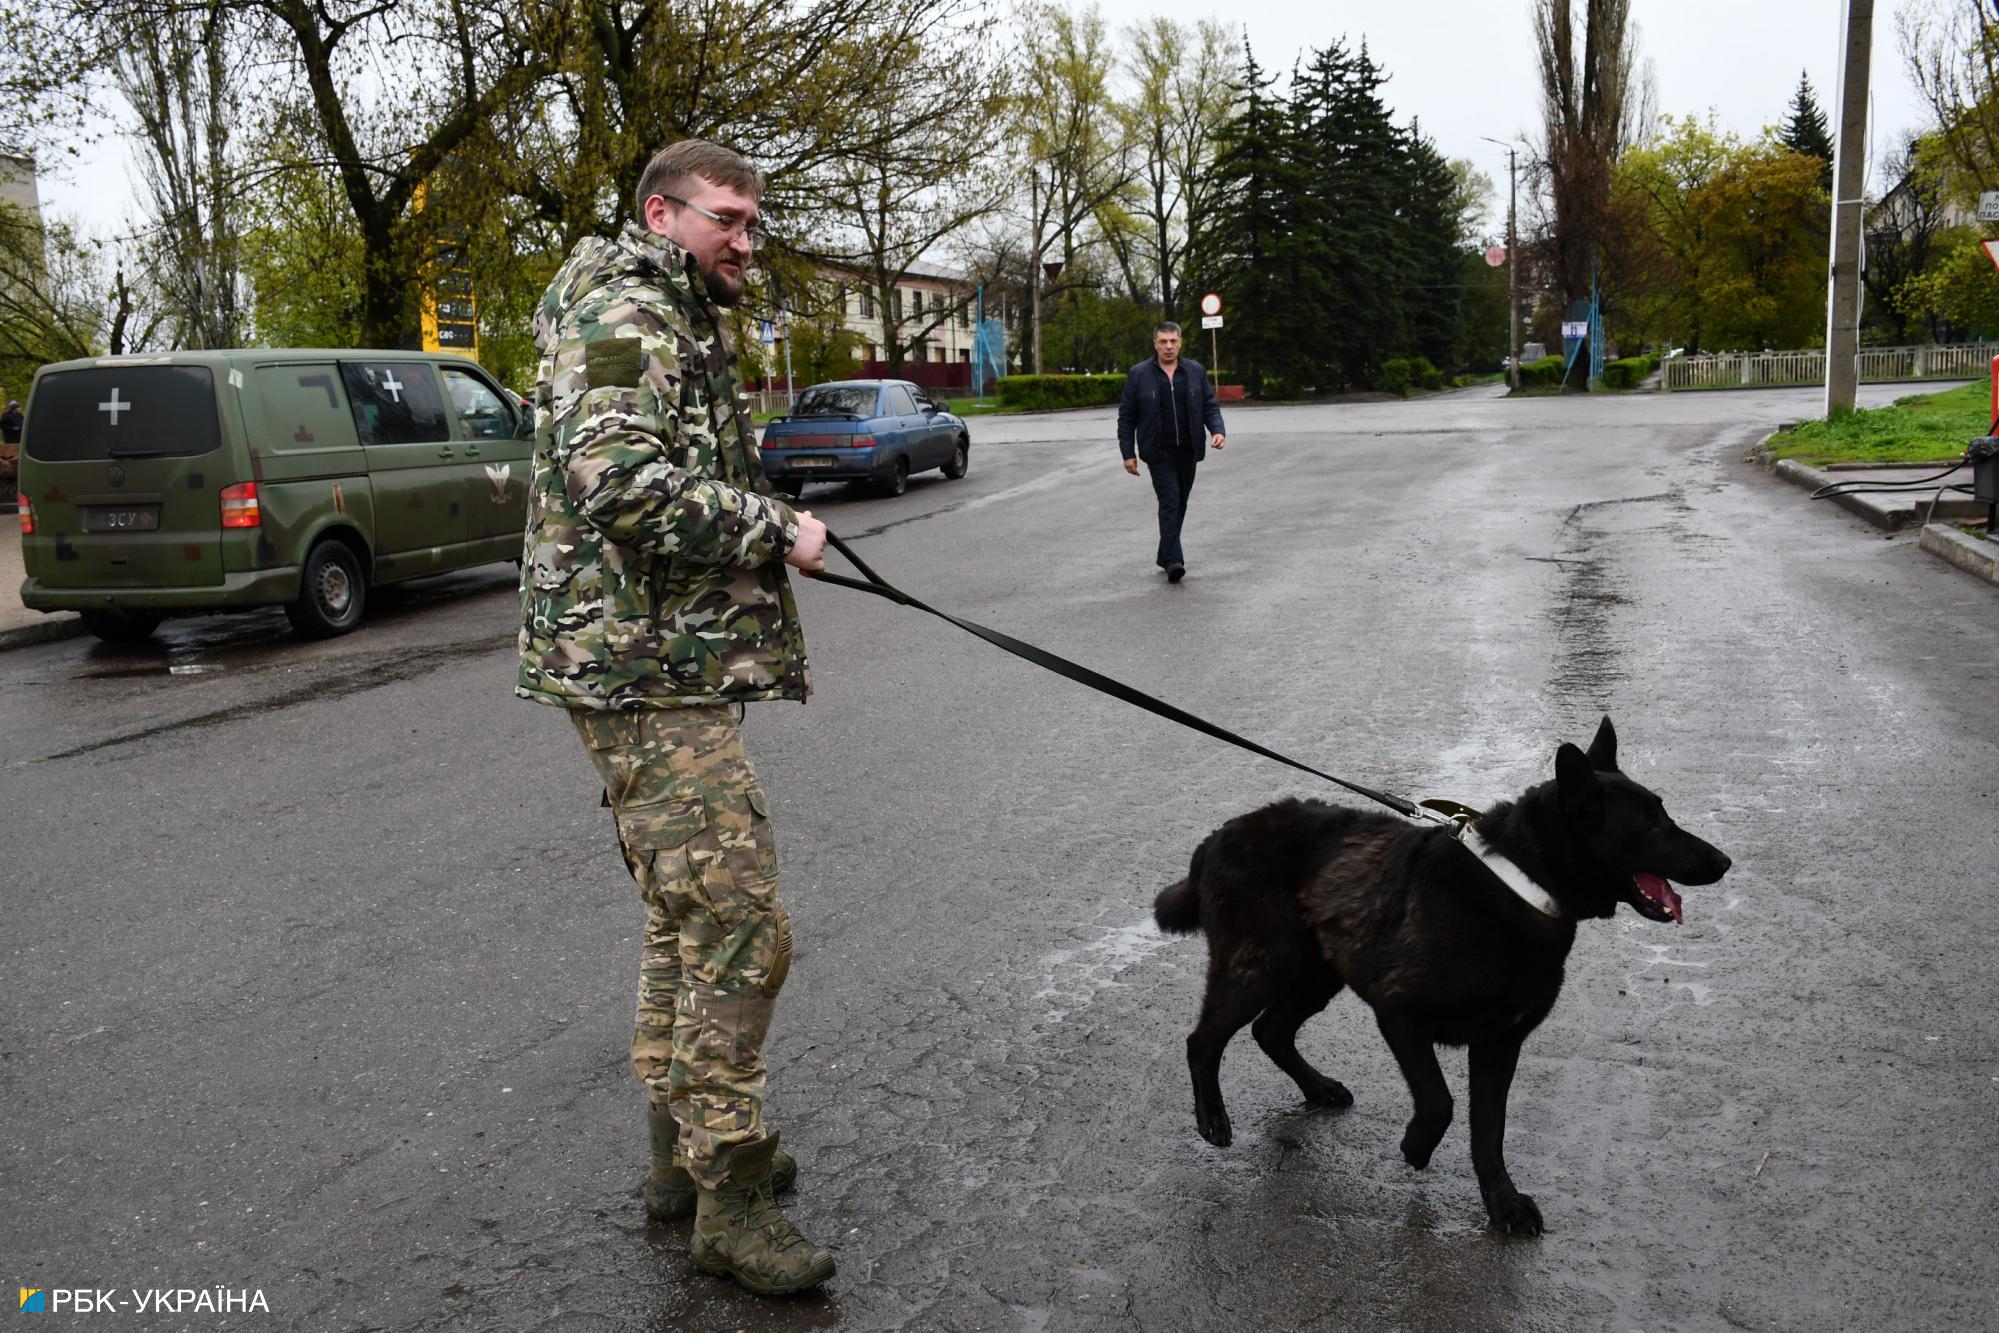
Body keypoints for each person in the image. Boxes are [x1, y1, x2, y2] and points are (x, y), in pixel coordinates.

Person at [516, 139, 836, 1297]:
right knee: (742, 924)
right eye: (729, 220)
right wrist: (774, 526)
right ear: (663, 213)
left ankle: (679, 1162)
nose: (747, 240)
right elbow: (619, 481)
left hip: (663, 657)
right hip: (637, 665)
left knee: (681, 915)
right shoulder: (625, 308)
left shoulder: (669, 304)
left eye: (754, 220)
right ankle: (730, 1197)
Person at [1117, 322, 1225, 583]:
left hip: (1189, 450)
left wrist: (1217, 430)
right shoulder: (1139, 374)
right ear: (1155, 343)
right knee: (1170, 502)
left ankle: (1164, 554)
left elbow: (1209, 405)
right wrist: (1127, 453)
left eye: (1172, 341)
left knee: (1181, 503)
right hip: (1158, 451)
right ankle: (1175, 561)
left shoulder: (1195, 371)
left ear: (1180, 342)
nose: (1168, 346)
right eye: (1163, 341)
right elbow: (1127, 416)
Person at [0, 399, 22, 464]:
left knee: (18, 453)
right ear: (12, 407)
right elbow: (2, 426)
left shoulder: (20, 415)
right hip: (11, 438)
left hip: (19, 437)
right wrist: (12, 428)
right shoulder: (5, 415)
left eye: (18, 406)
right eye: (16, 406)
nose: (18, 408)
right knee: (10, 453)